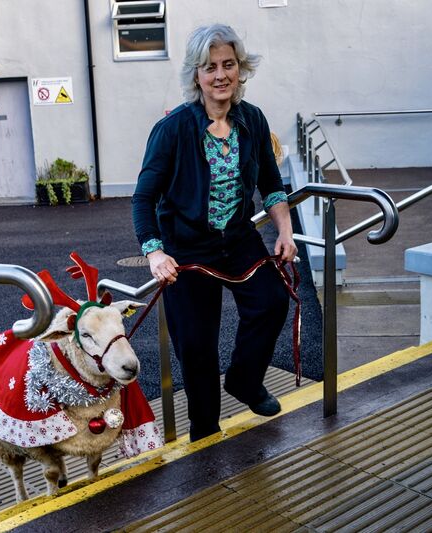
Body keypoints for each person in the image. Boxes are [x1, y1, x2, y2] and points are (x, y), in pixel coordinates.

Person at [131, 23, 297, 442]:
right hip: (187, 246)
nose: (221, 75)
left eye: (229, 65)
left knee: (272, 301)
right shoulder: (172, 129)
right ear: (196, 76)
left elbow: (272, 186)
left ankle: (243, 380)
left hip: (238, 238)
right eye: (210, 67)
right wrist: (155, 253)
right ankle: (204, 429)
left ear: (241, 69)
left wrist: (285, 231)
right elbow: (143, 198)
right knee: (197, 345)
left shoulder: (252, 120)